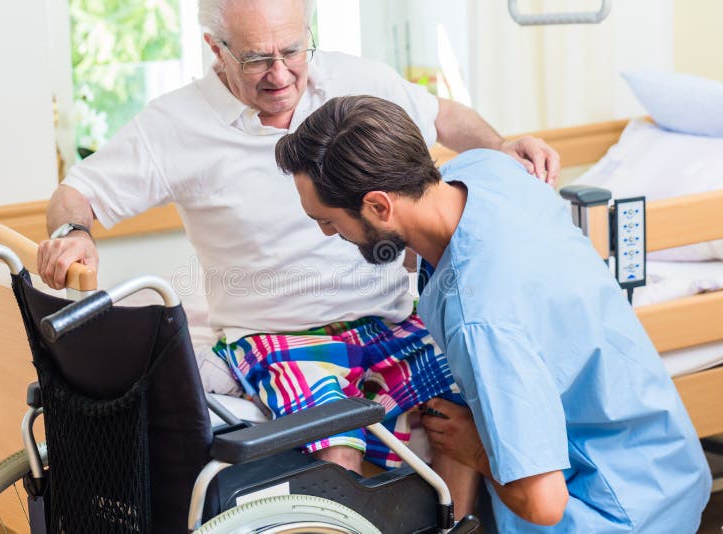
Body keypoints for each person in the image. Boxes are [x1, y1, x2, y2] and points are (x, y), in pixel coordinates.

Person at [37, 0, 558, 502]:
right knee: (337, 442)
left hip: (389, 315)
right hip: (279, 334)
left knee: (463, 402)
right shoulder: (174, 125)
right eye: (257, 59)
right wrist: (72, 232)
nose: (280, 74)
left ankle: (457, 523)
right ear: (215, 48)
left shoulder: (358, 80)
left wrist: (502, 147)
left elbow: (442, 116)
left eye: (291, 50)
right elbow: (76, 192)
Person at [275, 94, 712, 532]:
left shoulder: (481, 318)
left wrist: (474, 448)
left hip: (617, 513)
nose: (328, 233)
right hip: (670, 467)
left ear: (379, 206)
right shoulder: (486, 170)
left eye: (329, 221)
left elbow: (544, 505)